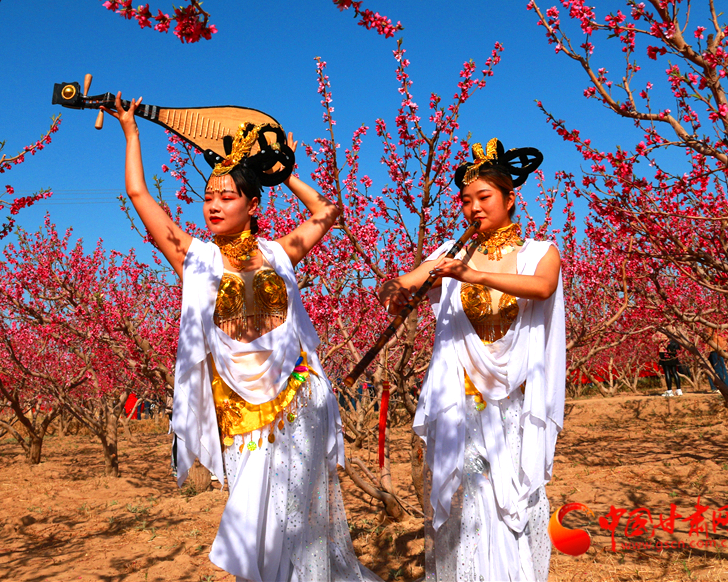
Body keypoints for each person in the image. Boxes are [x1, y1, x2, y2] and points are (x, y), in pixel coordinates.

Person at [108, 94, 381, 582]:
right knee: (252, 521)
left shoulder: (279, 253)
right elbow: (140, 197)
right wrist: (132, 134)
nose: (213, 204)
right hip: (241, 411)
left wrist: (286, 171)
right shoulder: (197, 259)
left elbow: (327, 211)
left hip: (298, 398)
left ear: (253, 205)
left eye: (227, 196)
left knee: (299, 516)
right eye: (209, 196)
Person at [379, 138, 565, 582]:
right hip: (463, 403)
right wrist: (401, 290)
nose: (474, 208)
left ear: (510, 198)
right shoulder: (450, 253)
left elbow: (541, 288)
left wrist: (471, 274)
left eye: (484, 197)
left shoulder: (540, 251)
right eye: (466, 200)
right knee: (474, 498)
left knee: (514, 501)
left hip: (515, 404)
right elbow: (400, 290)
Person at [706, 328, 728, 394]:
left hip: (716, 347)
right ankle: (715, 387)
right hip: (712, 348)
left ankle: (727, 388)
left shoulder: (713, 325)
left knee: (719, 368)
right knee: (709, 367)